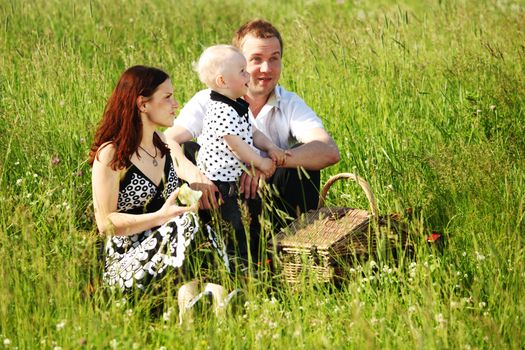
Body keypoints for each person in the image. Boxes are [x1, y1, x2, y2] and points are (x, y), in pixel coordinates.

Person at [165, 19, 340, 257]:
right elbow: (168, 140)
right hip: (217, 195)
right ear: (235, 64)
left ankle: (285, 251)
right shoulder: (208, 100)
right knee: (185, 150)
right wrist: (195, 176)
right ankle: (199, 245)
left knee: (302, 162)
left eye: (274, 58)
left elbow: (328, 151)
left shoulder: (288, 102)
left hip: (269, 201)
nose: (266, 69)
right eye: (256, 59)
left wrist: (267, 163)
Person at [89, 65, 229, 293]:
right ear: (143, 104)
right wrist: (160, 217)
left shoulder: (161, 143)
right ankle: (204, 290)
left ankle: (207, 291)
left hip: (170, 252)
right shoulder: (111, 154)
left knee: (202, 220)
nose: (176, 104)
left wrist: (198, 185)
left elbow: (181, 167)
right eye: (167, 97)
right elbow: (105, 224)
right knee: (186, 222)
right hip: (127, 263)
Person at [193, 44, 288, 263]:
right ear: (222, 81)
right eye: (242, 71)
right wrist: (261, 163)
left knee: (252, 214)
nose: (248, 75)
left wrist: (271, 148)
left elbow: (253, 132)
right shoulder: (221, 110)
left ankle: (256, 255)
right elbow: (237, 146)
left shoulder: (236, 104)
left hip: (235, 178)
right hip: (220, 184)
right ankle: (238, 263)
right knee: (233, 225)